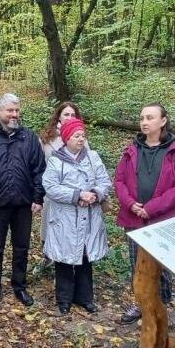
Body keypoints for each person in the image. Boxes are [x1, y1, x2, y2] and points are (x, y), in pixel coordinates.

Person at [113, 103, 175, 324]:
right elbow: (119, 180)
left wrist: (151, 208)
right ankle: (140, 304)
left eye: (150, 117)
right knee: (137, 263)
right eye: (142, 118)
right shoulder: (132, 150)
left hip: (164, 219)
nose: (144, 122)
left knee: (162, 264)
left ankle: (161, 306)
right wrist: (131, 204)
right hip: (134, 217)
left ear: (163, 121)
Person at [0, 93, 46, 313]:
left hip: (23, 204)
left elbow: (39, 169)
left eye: (17, 110)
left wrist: (37, 197)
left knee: (21, 247)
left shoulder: (29, 137)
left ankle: (19, 286)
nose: (14, 114)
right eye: (10, 110)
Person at [43, 118, 112, 315]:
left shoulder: (92, 157)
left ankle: (85, 298)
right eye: (76, 135)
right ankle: (64, 299)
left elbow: (105, 181)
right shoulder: (56, 161)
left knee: (85, 256)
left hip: (89, 217)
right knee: (64, 259)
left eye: (83, 135)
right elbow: (50, 187)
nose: (81, 139)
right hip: (65, 219)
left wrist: (94, 194)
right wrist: (76, 195)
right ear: (66, 138)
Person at [38, 101, 84, 272]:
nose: (69, 118)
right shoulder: (46, 139)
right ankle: (49, 259)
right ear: (58, 116)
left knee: (72, 230)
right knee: (50, 228)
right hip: (53, 194)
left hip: (77, 195)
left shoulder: (81, 138)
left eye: (73, 115)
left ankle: (72, 263)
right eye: (66, 114)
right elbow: (38, 166)